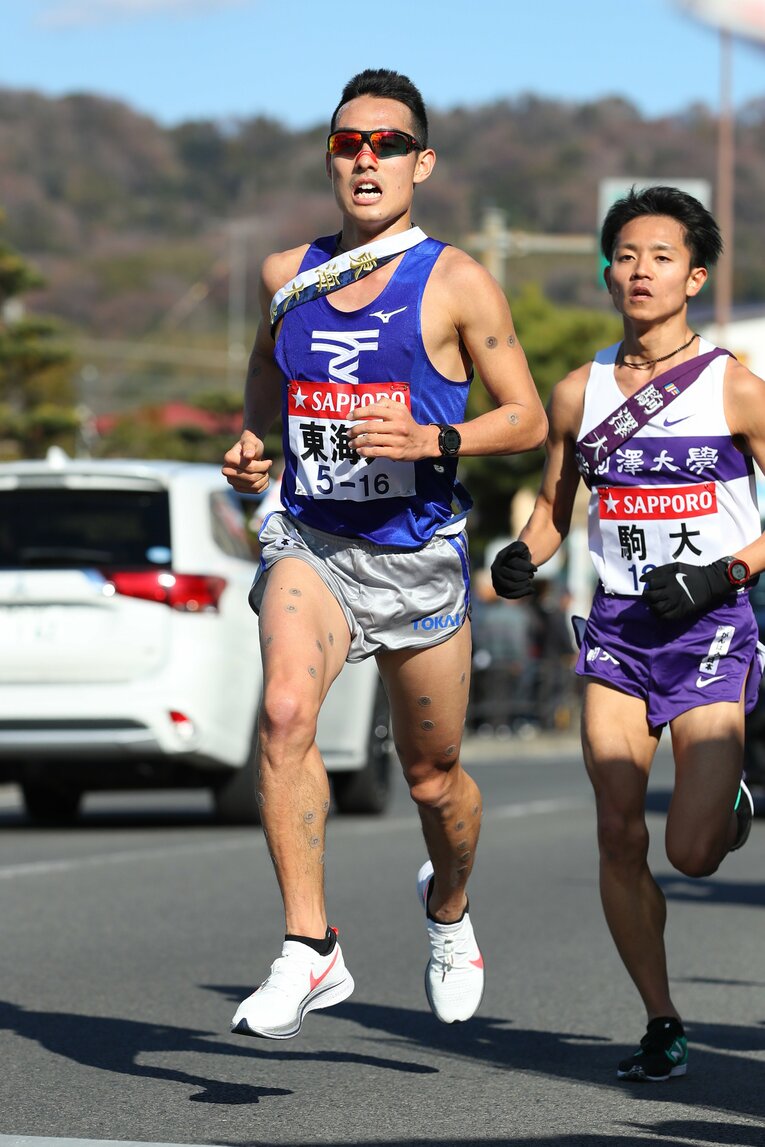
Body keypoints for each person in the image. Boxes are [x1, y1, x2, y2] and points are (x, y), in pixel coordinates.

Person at [221, 68, 547, 1039]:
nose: (366, 159)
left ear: (422, 162)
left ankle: (448, 905)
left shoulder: (455, 281)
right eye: (347, 143)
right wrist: (254, 438)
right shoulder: (285, 276)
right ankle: (309, 946)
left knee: (434, 777)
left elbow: (527, 417)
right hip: (312, 541)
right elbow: (264, 368)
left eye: (388, 144)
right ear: (330, 160)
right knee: (285, 712)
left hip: (417, 555)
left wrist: (434, 438)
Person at [492, 185, 764, 1082]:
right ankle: (660, 1018)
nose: (640, 270)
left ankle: (730, 804)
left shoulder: (733, 386)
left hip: (710, 628)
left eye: (661, 257)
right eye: (625, 255)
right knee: (617, 830)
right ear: (608, 273)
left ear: (694, 277)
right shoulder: (579, 391)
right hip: (618, 632)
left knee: (688, 851)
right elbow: (551, 511)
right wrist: (520, 554)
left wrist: (723, 574)